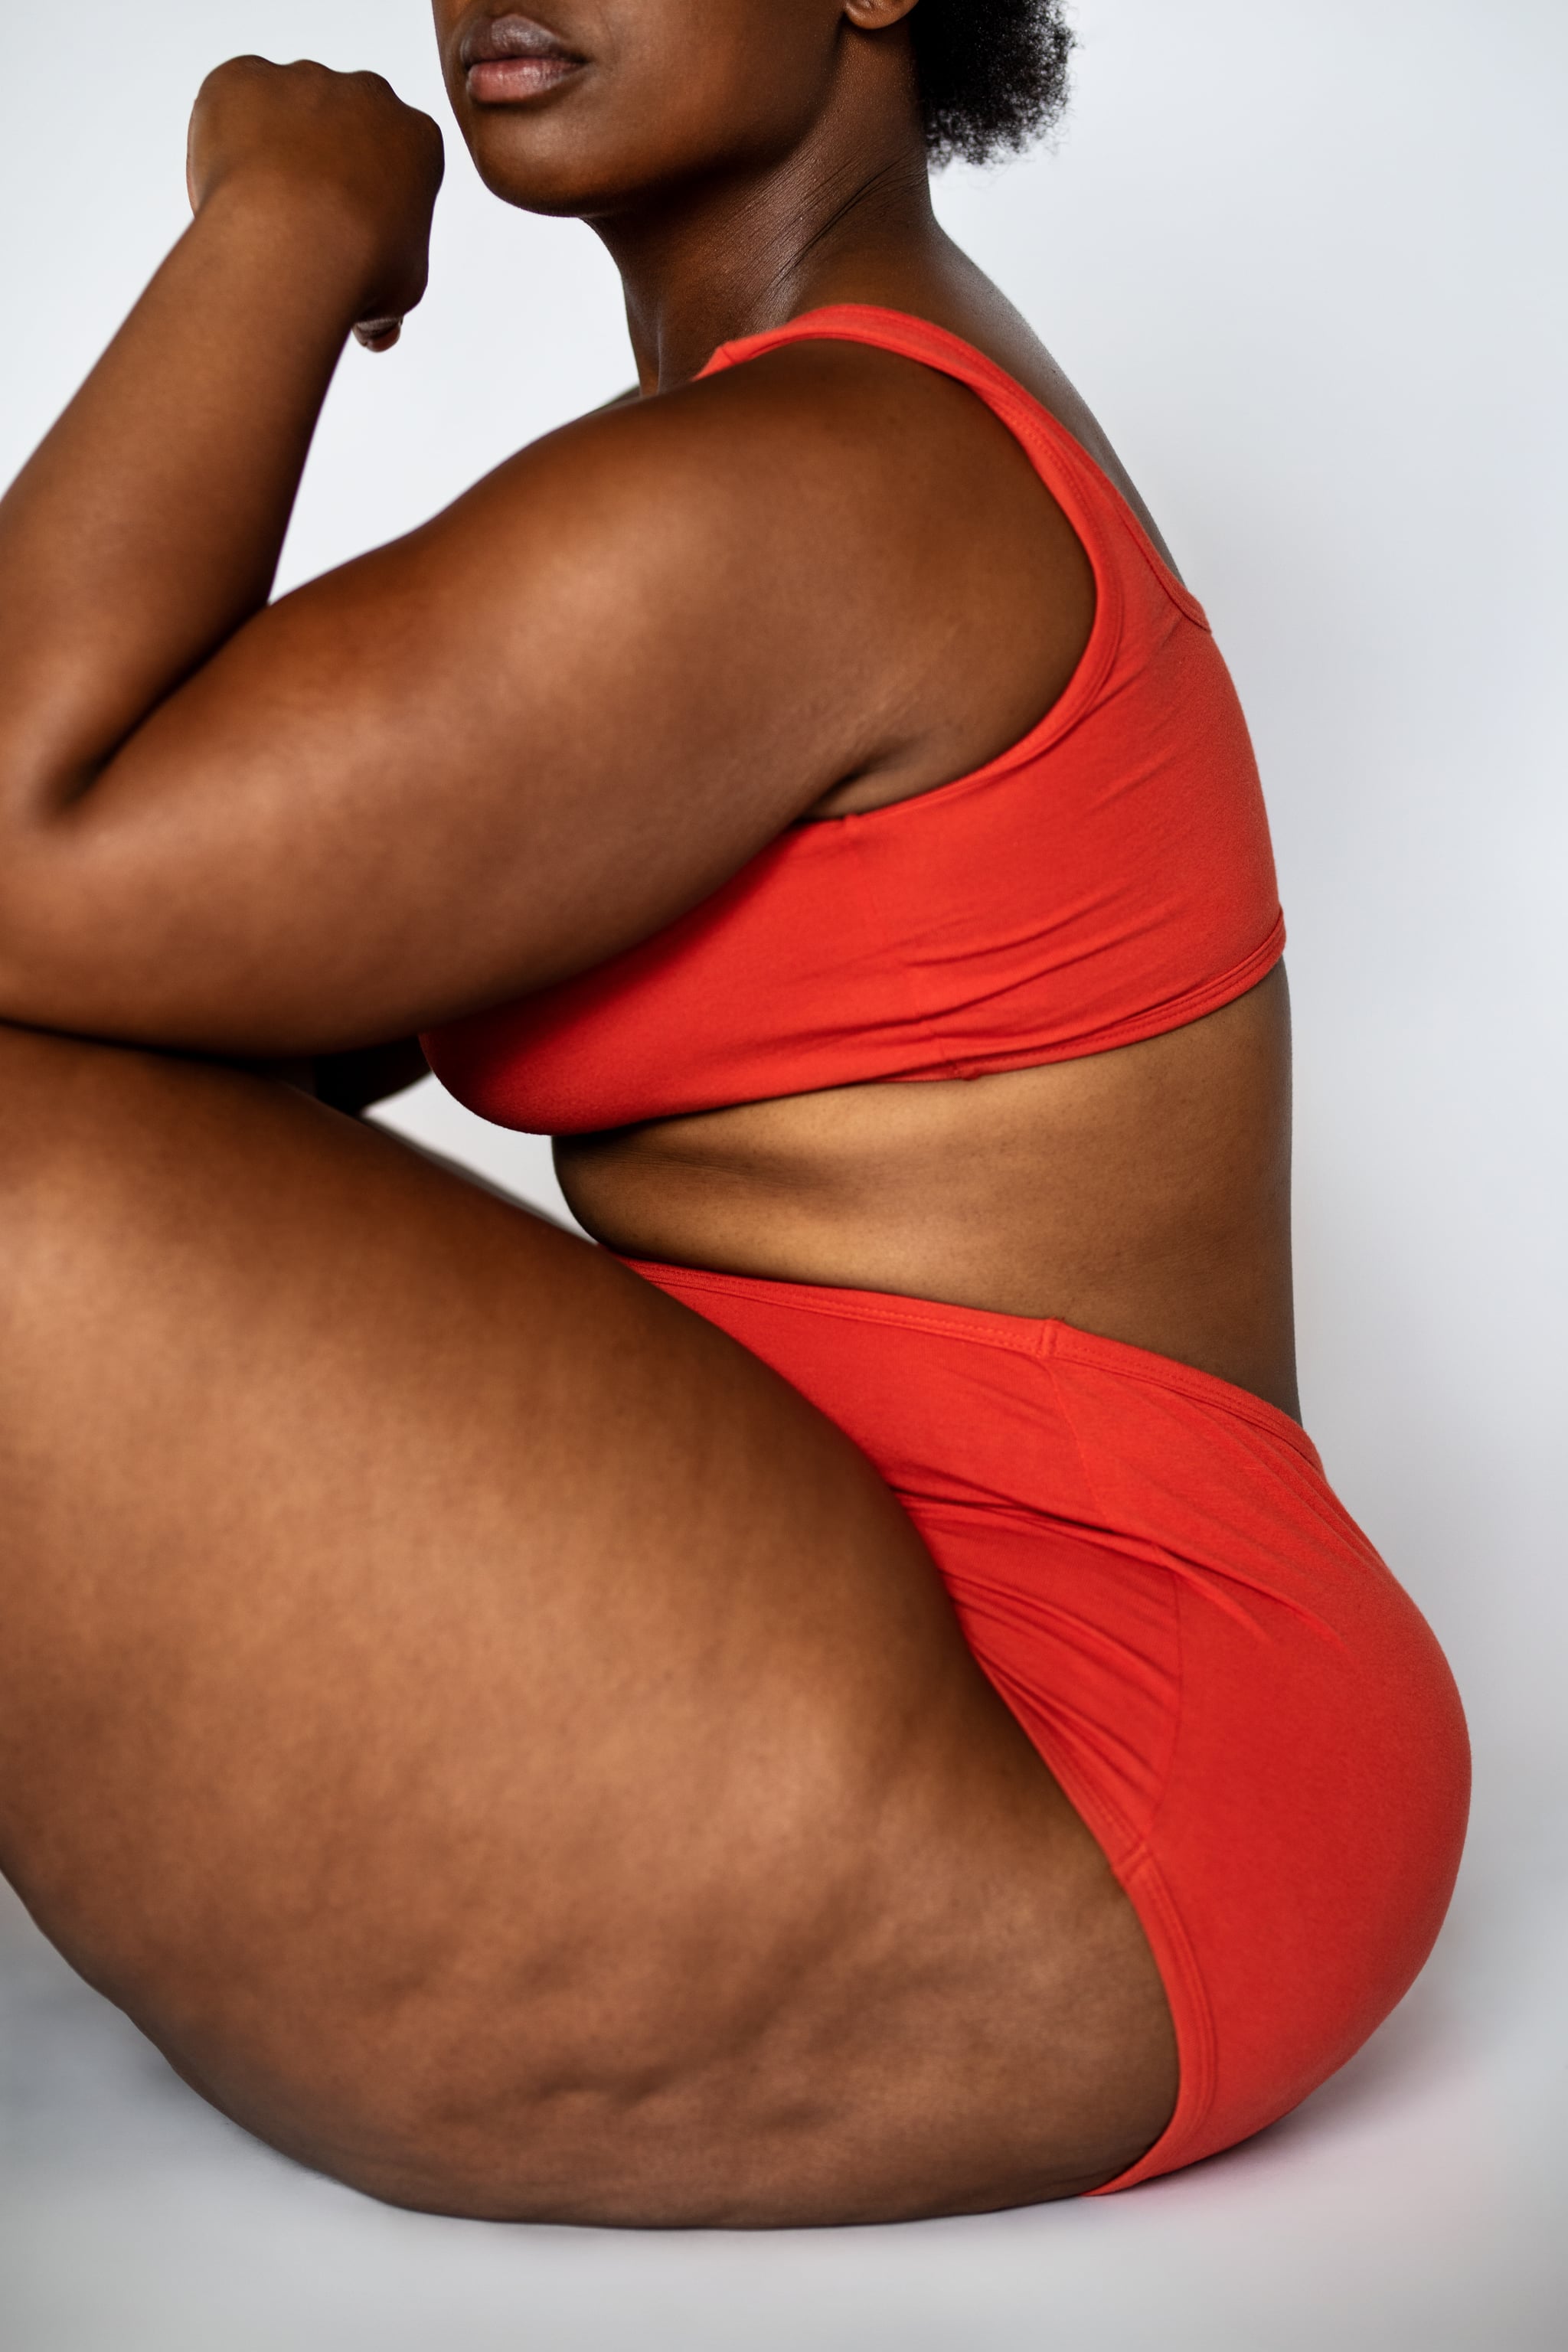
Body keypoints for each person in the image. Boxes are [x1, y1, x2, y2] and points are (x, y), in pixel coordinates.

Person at [0, 1, 1468, 2227]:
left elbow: (29, 855)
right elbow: (190, 1021)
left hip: (1094, 1786)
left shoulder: (829, 486)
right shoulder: (775, 458)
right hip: (916, 1642)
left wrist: (281, 225)